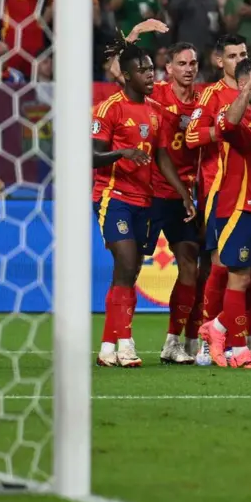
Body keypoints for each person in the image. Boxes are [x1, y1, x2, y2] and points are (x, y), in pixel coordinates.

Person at [92, 43, 195, 368]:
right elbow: (90, 155)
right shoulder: (108, 109)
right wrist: (121, 154)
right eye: (142, 70)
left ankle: (108, 345)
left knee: (130, 269)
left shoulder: (154, 111)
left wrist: (182, 193)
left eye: (152, 69)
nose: (150, 75)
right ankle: (126, 343)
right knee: (125, 261)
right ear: (126, 76)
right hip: (113, 196)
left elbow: (163, 157)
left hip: (145, 199)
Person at [197, 58, 251, 370]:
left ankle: (217, 326)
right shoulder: (231, 118)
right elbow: (228, 125)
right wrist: (249, 86)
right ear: (245, 86)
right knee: (239, 277)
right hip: (238, 209)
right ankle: (237, 351)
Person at [184, 34, 247, 362]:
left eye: (243, 54)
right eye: (233, 55)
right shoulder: (211, 95)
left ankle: (242, 336)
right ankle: (210, 339)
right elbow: (192, 136)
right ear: (220, 61)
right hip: (221, 191)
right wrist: (224, 126)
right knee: (222, 266)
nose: (239, 60)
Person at [146, 42, 203, 364]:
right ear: (169, 69)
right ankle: (117, 341)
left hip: (187, 197)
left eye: (193, 63)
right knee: (126, 266)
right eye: (181, 63)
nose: (189, 68)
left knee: (191, 269)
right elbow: (117, 71)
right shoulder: (153, 95)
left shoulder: (202, 103)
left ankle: (173, 341)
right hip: (153, 192)